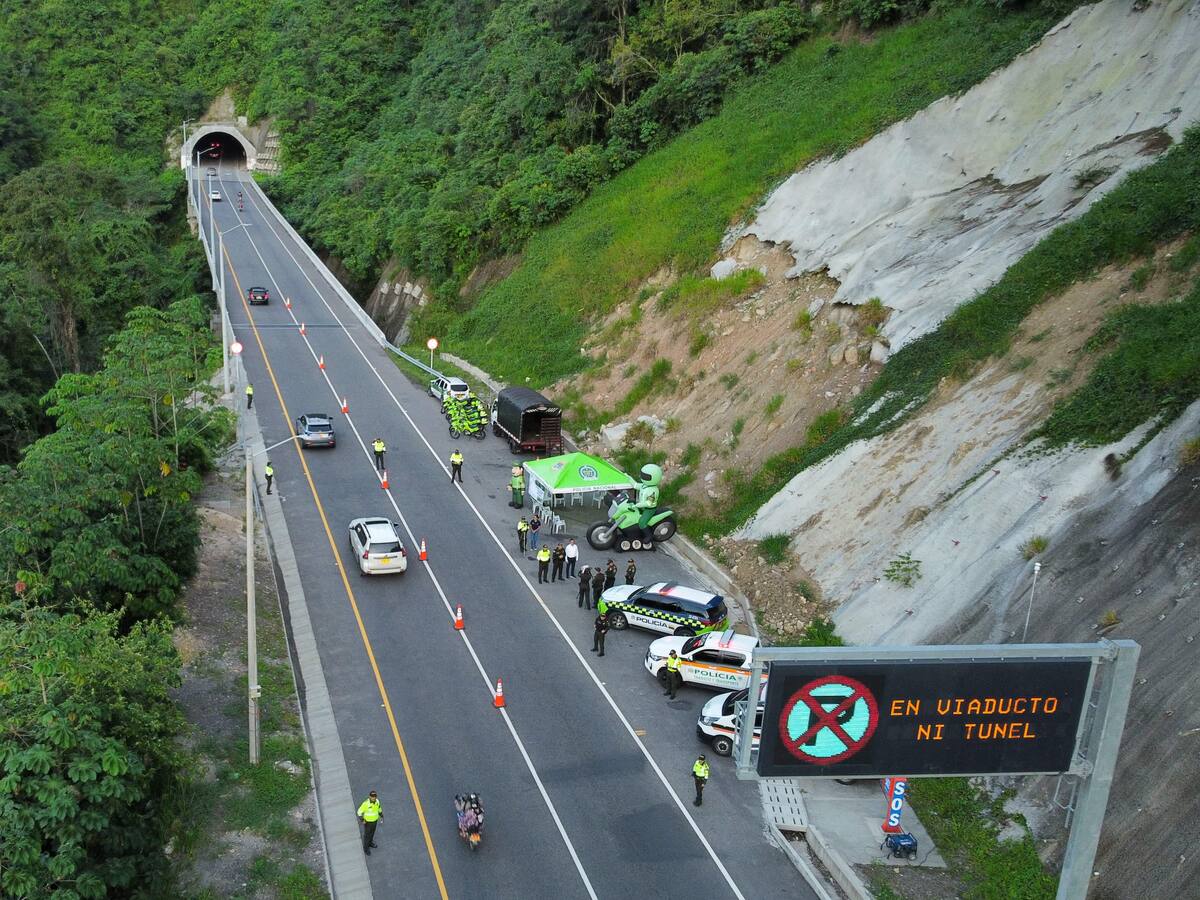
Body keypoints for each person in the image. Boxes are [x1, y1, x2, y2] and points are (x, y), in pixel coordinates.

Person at [634, 463, 663, 549]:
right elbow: (635, 485)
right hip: (642, 506)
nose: (642, 477)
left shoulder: (653, 491)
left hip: (649, 509)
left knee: (642, 522)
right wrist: (628, 478)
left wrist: (638, 505)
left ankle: (649, 536)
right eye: (642, 475)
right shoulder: (644, 485)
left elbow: (649, 503)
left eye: (645, 476)